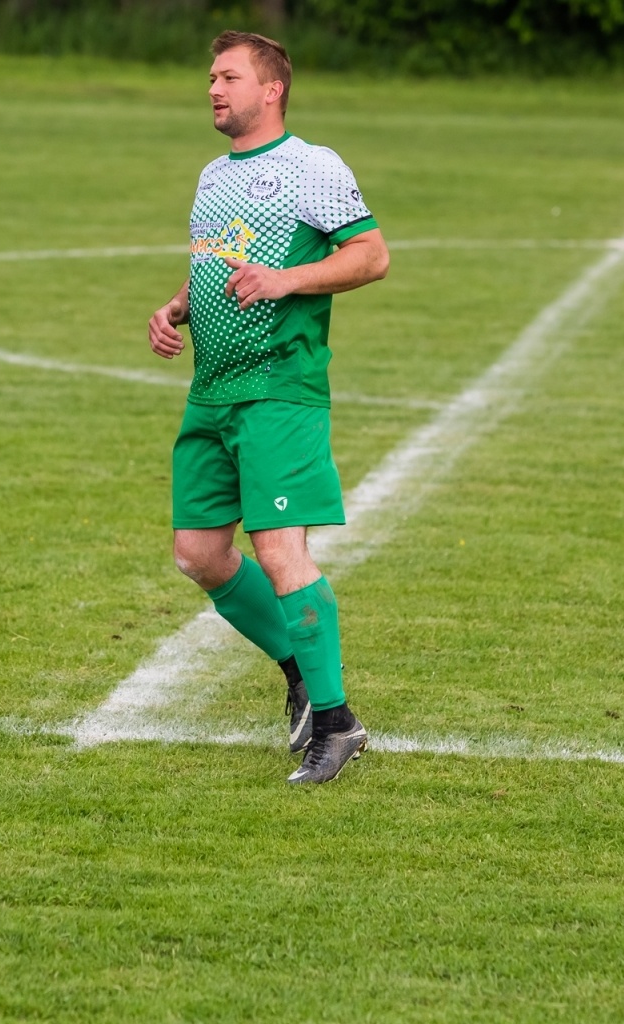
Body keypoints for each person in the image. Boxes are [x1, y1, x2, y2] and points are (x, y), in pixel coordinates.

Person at [147, 30, 390, 785]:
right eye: (211, 79)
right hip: (212, 390)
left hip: (279, 390)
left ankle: (339, 720)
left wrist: (287, 281)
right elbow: (223, 264)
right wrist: (180, 306)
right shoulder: (213, 176)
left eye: (228, 77)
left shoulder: (311, 167)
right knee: (201, 554)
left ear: (271, 88)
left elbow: (370, 256)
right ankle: (300, 678)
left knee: (282, 552)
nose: (214, 89)